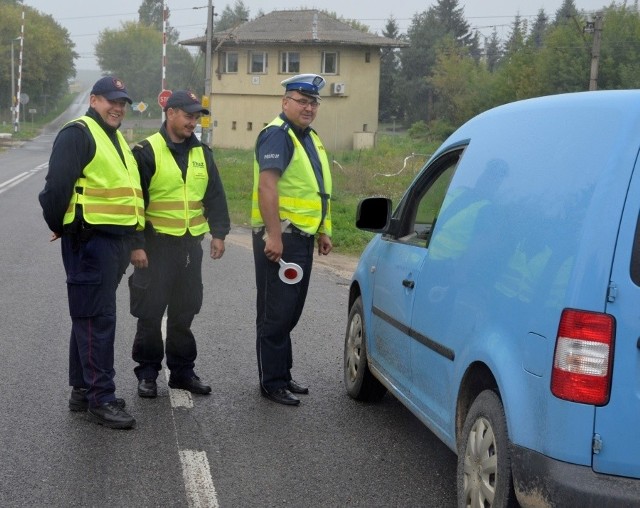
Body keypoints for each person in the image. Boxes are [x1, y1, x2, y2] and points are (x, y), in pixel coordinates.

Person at [38, 76, 143, 430]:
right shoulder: (79, 132)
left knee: (88, 316)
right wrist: (61, 225)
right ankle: (102, 398)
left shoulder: (115, 139)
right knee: (97, 320)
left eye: (123, 103)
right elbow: (55, 188)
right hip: (90, 242)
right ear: (94, 99)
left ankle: (83, 390)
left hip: (113, 243)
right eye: (111, 101)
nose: (118, 108)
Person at [129, 90, 230, 398]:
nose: (193, 123)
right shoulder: (147, 151)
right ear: (170, 113)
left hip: (189, 249)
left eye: (197, 117)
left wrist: (219, 233)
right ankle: (147, 373)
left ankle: (183, 372)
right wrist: (136, 244)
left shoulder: (202, 153)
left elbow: (215, 196)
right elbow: (133, 203)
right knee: (150, 314)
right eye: (188, 116)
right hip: (155, 249)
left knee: (184, 314)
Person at [251, 74, 333, 406]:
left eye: (313, 102)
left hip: (302, 237)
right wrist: (273, 235)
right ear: (285, 102)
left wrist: (324, 229)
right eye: (302, 101)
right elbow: (266, 187)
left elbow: (316, 189)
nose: (309, 107)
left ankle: (282, 374)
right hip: (281, 237)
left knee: (290, 312)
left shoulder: (308, 137)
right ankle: (271, 382)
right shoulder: (277, 135)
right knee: (275, 312)